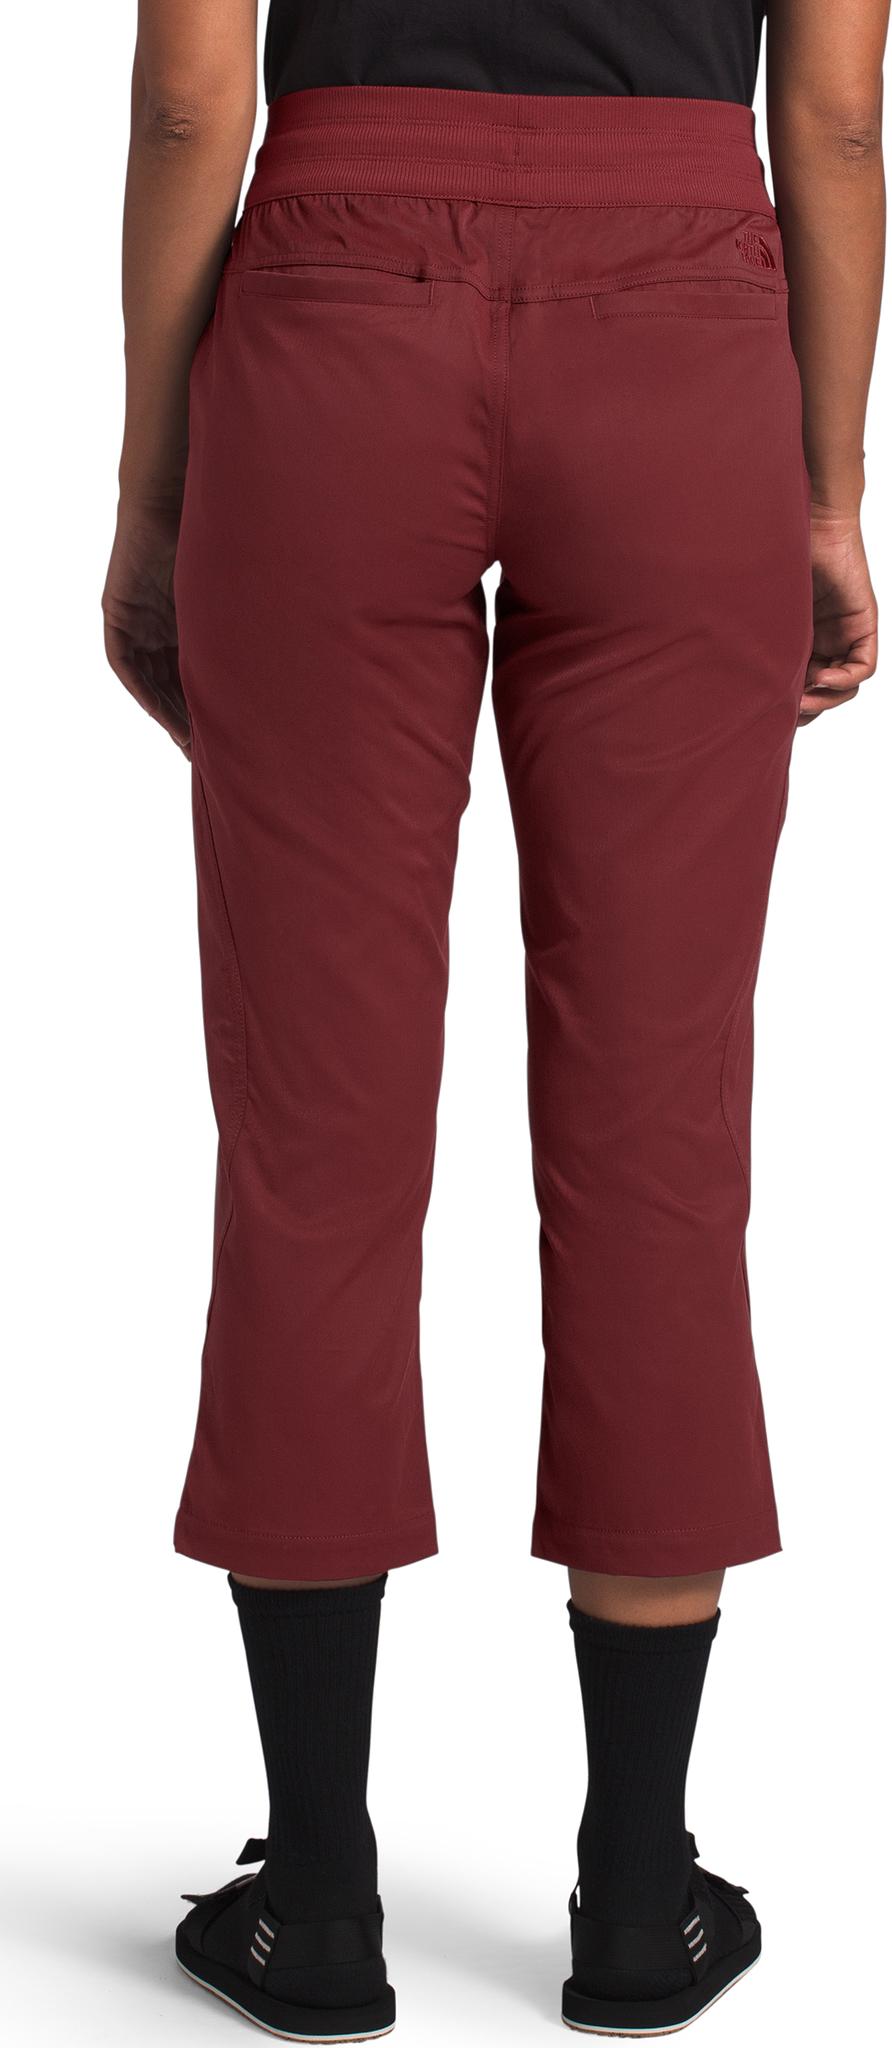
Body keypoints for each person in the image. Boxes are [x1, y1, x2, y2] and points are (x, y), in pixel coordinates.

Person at [103, 1, 887, 2038]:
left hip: (332, 325)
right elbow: (828, 114)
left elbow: (190, 92)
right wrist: (821, 492)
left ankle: (317, 1903)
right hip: (684, 339)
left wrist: (157, 487)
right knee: (656, 1138)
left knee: (316, 1144)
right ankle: (637, 1896)